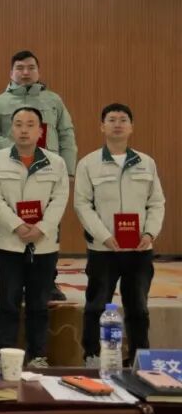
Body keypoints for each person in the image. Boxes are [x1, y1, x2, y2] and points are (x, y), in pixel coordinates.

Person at [75, 104, 165, 366]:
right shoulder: (89, 163)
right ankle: (92, 356)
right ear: (102, 126)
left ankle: (139, 358)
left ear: (131, 127)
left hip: (139, 249)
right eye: (111, 119)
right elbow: (82, 204)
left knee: (138, 307)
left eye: (123, 120)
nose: (117, 124)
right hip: (104, 249)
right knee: (96, 305)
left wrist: (150, 233)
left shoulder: (146, 163)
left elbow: (156, 202)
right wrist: (103, 235)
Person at [0, 50, 76, 302]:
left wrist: (69, 170)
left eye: (31, 67)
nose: (25, 72)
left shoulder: (53, 101)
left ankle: (48, 281)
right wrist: (16, 148)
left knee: (48, 228)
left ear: (38, 71)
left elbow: (66, 134)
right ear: (11, 72)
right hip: (11, 173)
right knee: (8, 227)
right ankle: (9, 281)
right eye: (20, 68)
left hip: (47, 174)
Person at [0, 107, 68, 368]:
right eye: (18, 124)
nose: (24, 130)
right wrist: (18, 225)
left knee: (39, 305)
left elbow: (59, 199)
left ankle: (38, 355)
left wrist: (41, 228)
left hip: (44, 245)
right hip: (9, 243)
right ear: (11, 129)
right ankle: (5, 355)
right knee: (8, 303)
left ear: (40, 131)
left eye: (30, 124)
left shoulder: (56, 163)